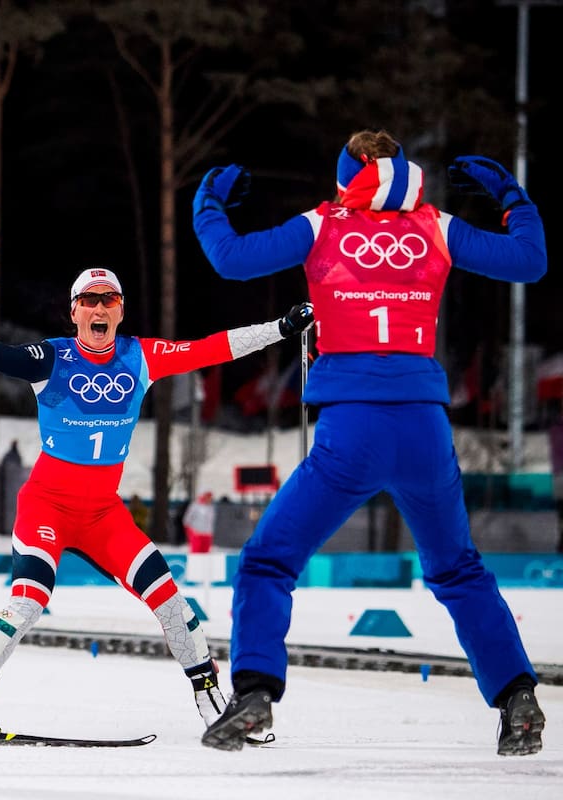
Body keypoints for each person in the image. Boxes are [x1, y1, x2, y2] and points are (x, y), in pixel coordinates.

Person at [192, 129, 547, 755]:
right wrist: (512, 197)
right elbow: (529, 261)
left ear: (342, 177)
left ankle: (253, 696)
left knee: (270, 563)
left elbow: (229, 258)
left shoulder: (322, 225)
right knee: (459, 571)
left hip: (350, 430)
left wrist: (208, 201)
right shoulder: (435, 225)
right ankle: (518, 699)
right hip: (423, 429)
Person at [0, 268, 313, 733]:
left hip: (103, 514)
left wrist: (280, 328)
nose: (100, 308)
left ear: (120, 310)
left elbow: (213, 347)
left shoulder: (141, 356)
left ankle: (214, 704)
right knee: (29, 600)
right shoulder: (52, 358)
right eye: (89, 300)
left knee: (171, 601)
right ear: (74, 312)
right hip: (48, 506)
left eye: (109, 299)